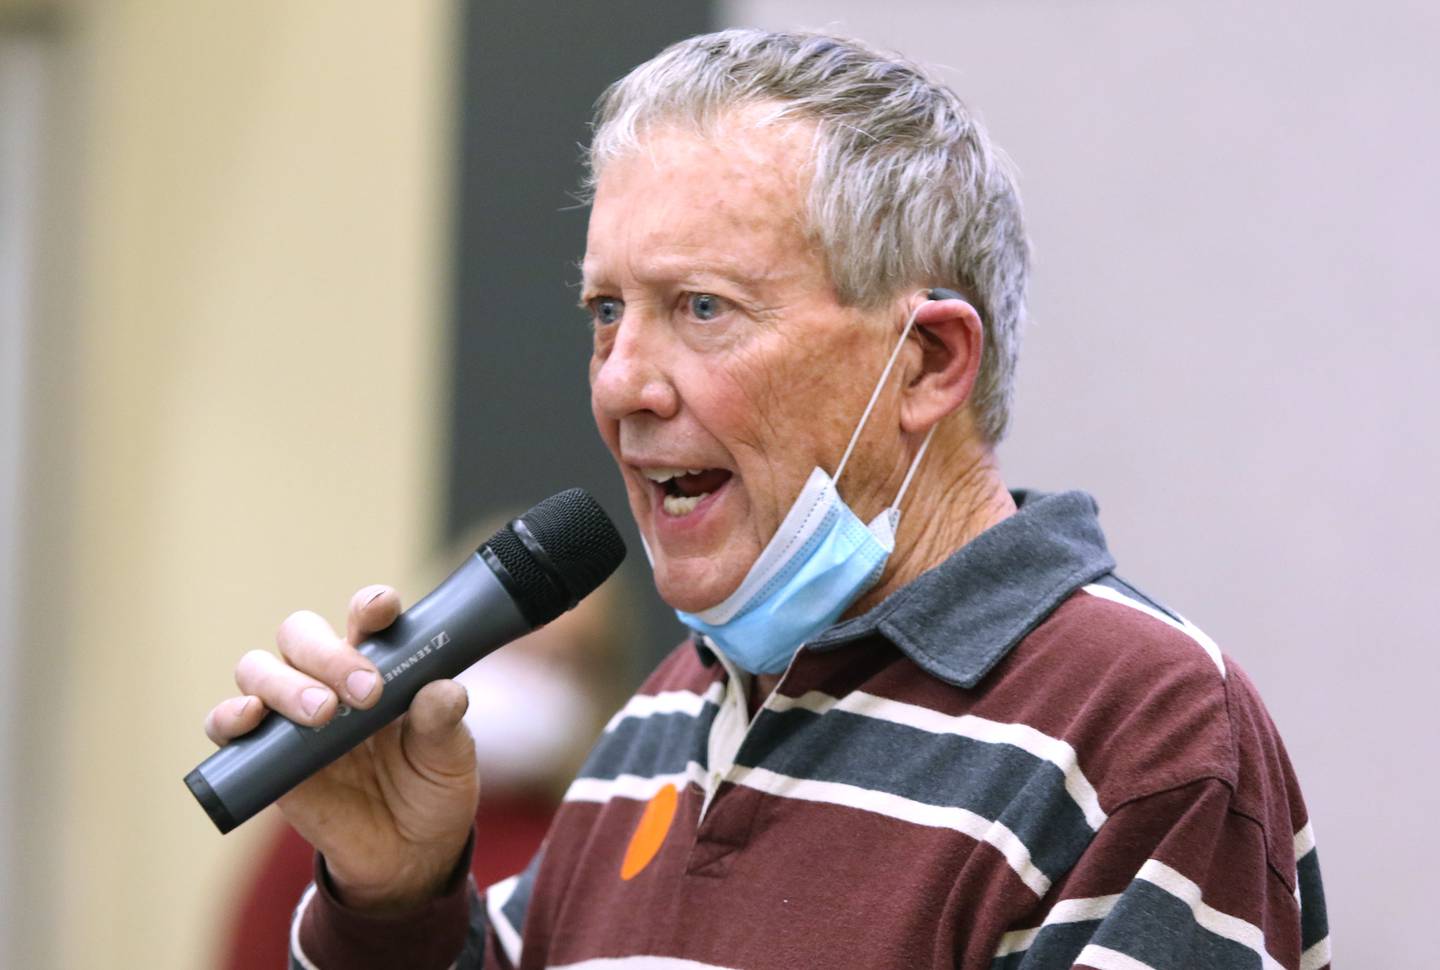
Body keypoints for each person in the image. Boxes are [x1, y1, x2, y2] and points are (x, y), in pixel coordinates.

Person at [203, 29, 1331, 970]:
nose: (621, 385)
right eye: (606, 311)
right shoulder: (666, 712)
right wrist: (398, 902)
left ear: (930, 362)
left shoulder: (1148, 732)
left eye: (702, 308)